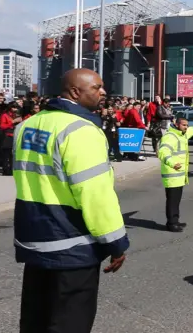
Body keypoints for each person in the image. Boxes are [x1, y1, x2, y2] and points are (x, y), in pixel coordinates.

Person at [12, 68, 129, 333]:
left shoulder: (27, 125)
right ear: (75, 92)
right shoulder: (81, 130)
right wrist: (116, 242)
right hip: (72, 244)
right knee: (69, 323)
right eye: (96, 88)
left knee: (35, 320)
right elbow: (95, 194)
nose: (103, 92)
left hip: (34, 239)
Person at [157, 117, 193, 232]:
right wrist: (173, 163)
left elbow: (191, 130)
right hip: (172, 175)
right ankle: (171, 223)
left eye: (187, 125)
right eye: (184, 125)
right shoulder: (170, 137)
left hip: (179, 176)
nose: (186, 127)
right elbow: (163, 152)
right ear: (177, 124)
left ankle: (176, 221)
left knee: (176, 200)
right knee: (172, 201)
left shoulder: (182, 134)